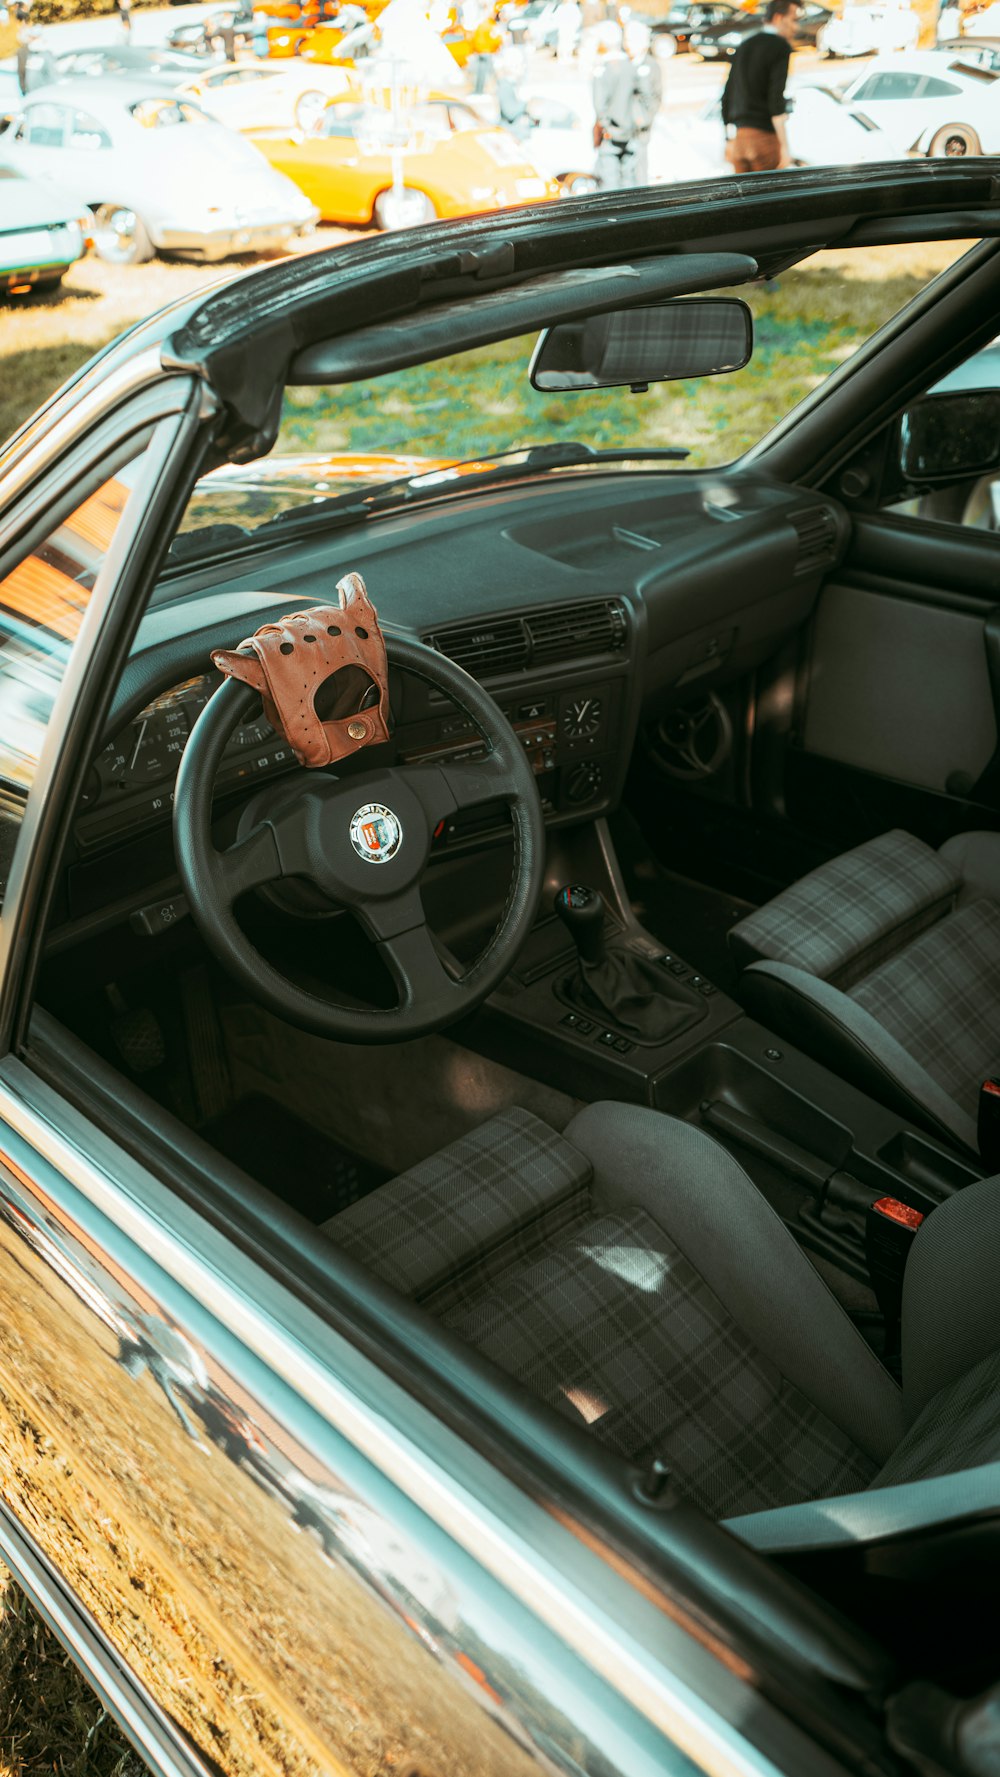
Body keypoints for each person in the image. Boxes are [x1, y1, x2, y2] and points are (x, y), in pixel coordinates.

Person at [721, 0, 800, 173]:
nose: (796, 28)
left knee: (744, 199)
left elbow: (727, 95)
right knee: (770, 197)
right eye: (794, 20)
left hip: (739, 141)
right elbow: (775, 101)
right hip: (764, 139)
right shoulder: (780, 47)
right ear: (779, 18)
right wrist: (785, 148)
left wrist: (728, 140)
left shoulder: (745, 45)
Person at [592, 18, 661, 189]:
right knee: (611, 181)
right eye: (626, 39)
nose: (628, 44)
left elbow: (654, 100)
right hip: (614, 132)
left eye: (632, 39)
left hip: (637, 134)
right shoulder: (618, 64)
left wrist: (641, 122)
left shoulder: (650, 66)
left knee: (636, 182)